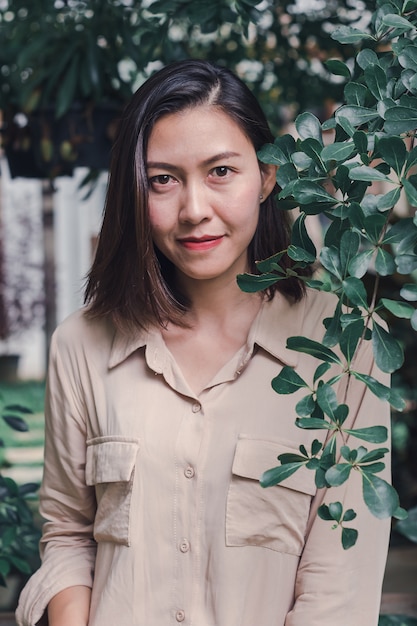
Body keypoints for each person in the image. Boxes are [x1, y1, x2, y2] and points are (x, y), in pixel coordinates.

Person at [16, 59, 391, 626]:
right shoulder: (82, 344)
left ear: (266, 177)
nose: (194, 210)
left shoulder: (343, 342)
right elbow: (68, 532)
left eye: (220, 171)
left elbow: (340, 587)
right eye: (163, 179)